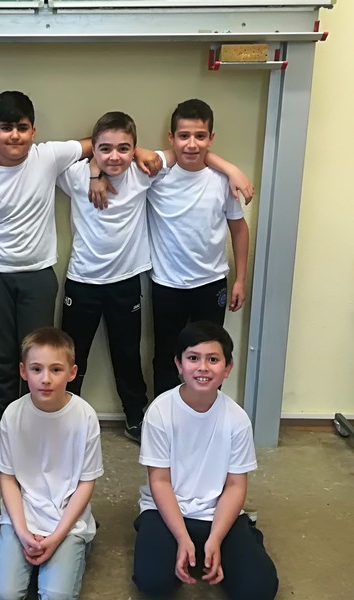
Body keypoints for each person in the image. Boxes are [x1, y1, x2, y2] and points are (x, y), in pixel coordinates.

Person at [0, 91, 90, 423]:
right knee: (0, 358)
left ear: (33, 131)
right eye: (6, 128)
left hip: (38, 275)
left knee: (39, 359)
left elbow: (98, 143)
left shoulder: (47, 156)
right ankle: (7, 426)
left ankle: (36, 424)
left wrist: (103, 171)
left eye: (22, 128)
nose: (15, 136)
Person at [133, 321, 278, 599]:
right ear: (179, 364)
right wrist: (182, 537)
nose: (203, 367)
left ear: (227, 368)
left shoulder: (237, 419)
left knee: (258, 589)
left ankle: (242, 536)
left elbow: (235, 485)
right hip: (166, 511)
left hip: (217, 513)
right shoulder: (160, 412)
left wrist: (216, 539)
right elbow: (159, 481)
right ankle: (172, 539)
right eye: (193, 358)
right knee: (154, 583)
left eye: (213, 359)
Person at [57, 111, 157, 442]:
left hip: (125, 282)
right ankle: (63, 417)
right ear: (94, 148)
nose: (114, 156)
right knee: (72, 355)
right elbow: (41, 159)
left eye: (124, 148)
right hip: (82, 281)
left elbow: (175, 157)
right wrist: (93, 171)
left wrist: (139, 154)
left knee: (127, 353)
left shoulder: (143, 173)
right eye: (105, 148)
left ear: (134, 149)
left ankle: (135, 416)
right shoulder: (76, 175)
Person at [0, 327, 103, 600]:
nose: (46, 379)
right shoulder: (13, 414)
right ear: (23, 371)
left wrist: (56, 536)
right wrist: (22, 531)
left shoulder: (85, 416)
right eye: (36, 369)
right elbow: (8, 478)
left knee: (56, 596)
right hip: (22, 517)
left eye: (56, 370)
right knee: (3, 595)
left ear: (72, 373)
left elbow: (86, 482)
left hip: (67, 522)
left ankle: (76, 547)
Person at [147, 99, 250, 397]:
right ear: (171, 138)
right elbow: (129, 155)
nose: (192, 144)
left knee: (210, 357)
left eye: (200, 136)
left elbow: (239, 229)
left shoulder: (222, 181)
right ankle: (164, 416)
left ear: (211, 138)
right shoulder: (156, 176)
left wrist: (240, 279)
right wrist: (228, 164)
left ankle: (207, 413)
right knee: (167, 355)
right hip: (167, 284)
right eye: (184, 136)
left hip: (210, 283)